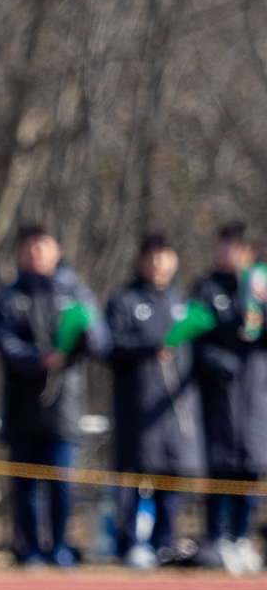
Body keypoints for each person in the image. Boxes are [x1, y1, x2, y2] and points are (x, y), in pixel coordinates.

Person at [0, 227, 110, 566]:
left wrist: (85, 335)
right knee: (25, 485)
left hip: (65, 407)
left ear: (56, 250)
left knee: (60, 483)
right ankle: (29, 548)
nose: (36, 254)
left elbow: (101, 343)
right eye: (28, 248)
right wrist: (36, 359)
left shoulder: (77, 292)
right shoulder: (10, 296)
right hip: (21, 407)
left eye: (43, 247)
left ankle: (59, 546)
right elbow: (4, 343)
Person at [106, 235, 205, 569]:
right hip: (136, 408)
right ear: (140, 260)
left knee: (170, 480)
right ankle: (130, 544)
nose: (158, 263)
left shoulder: (184, 302)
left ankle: (165, 543)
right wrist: (150, 349)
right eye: (151, 257)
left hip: (175, 412)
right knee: (133, 480)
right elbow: (111, 347)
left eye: (164, 256)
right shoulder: (124, 298)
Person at [191, 223, 266, 574]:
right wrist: (223, 359)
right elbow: (196, 340)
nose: (225, 254)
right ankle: (216, 538)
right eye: (222, 247)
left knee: (250, 469)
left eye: (233, 248)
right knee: (220, 468)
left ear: (249, 252)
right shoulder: (205, 289)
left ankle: (241, 536)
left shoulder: (260, 288)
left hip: (255, 396)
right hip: (219, 397)